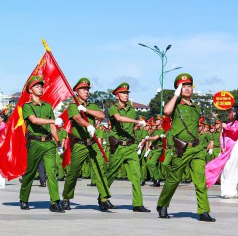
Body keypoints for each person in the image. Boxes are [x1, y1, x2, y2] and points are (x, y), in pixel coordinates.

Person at [156, 73, 215, 222]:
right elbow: (166, 112)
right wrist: (175, 96)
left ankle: (203, 211)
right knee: (174, 179)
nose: (187, 89)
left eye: (189, 86)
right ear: (178, 89)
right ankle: (162, 204)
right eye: (184, 87)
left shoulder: (196, 108)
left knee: (200, 180)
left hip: (196, 148)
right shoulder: (175, 105)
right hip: (181, 149)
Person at [61, 78, 114, 211]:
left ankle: (103, 199)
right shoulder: (73, 106)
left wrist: (86, 110)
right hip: (80, 144)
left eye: (88, 89)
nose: (87, 92)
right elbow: (77, 119)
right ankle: (66, 198)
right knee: (73, 172)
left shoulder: (91, 106)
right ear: (77, 91)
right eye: (84, 89)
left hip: (93, 143)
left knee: (100, 169)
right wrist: (88, 124)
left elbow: (101, 115)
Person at [18, 76, 65, 212]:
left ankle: (55, 202)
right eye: (37, 86)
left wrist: (58, 142)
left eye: (41, 86)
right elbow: (34, 121)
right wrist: (53, 121)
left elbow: (52, 128)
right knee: (31, 172)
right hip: (35, 143)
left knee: (51, 172)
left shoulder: (48, 106)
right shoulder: (27, 106)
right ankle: (24, 198)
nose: (40, 88)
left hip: (49, 143)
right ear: (30, 90)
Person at [105, 83, 150, 212]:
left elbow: (130, 127)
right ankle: (102, 197)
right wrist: (137, 122)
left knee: (136, 175)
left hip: (130, 147)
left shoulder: (131, 109)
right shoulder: (113, 108)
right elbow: (118, 118)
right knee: (112, 173)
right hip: (118, 147)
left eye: (127, 93)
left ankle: (138, 204)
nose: (126, 95)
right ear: (117, 95)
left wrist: (137, 128)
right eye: (124, 93)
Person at [206, 105, 238, 198]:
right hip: (226, 151)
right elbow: (222, 136)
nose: (228, 114)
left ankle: (231, 191)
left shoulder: (235, 123)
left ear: (235, 113)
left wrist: (226, 127)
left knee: (232, 169)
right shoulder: (228, 123)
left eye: (230, 112)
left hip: (235, 148)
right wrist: (222, 147)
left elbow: (236, 130)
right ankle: (226, 191)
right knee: (226, 170)